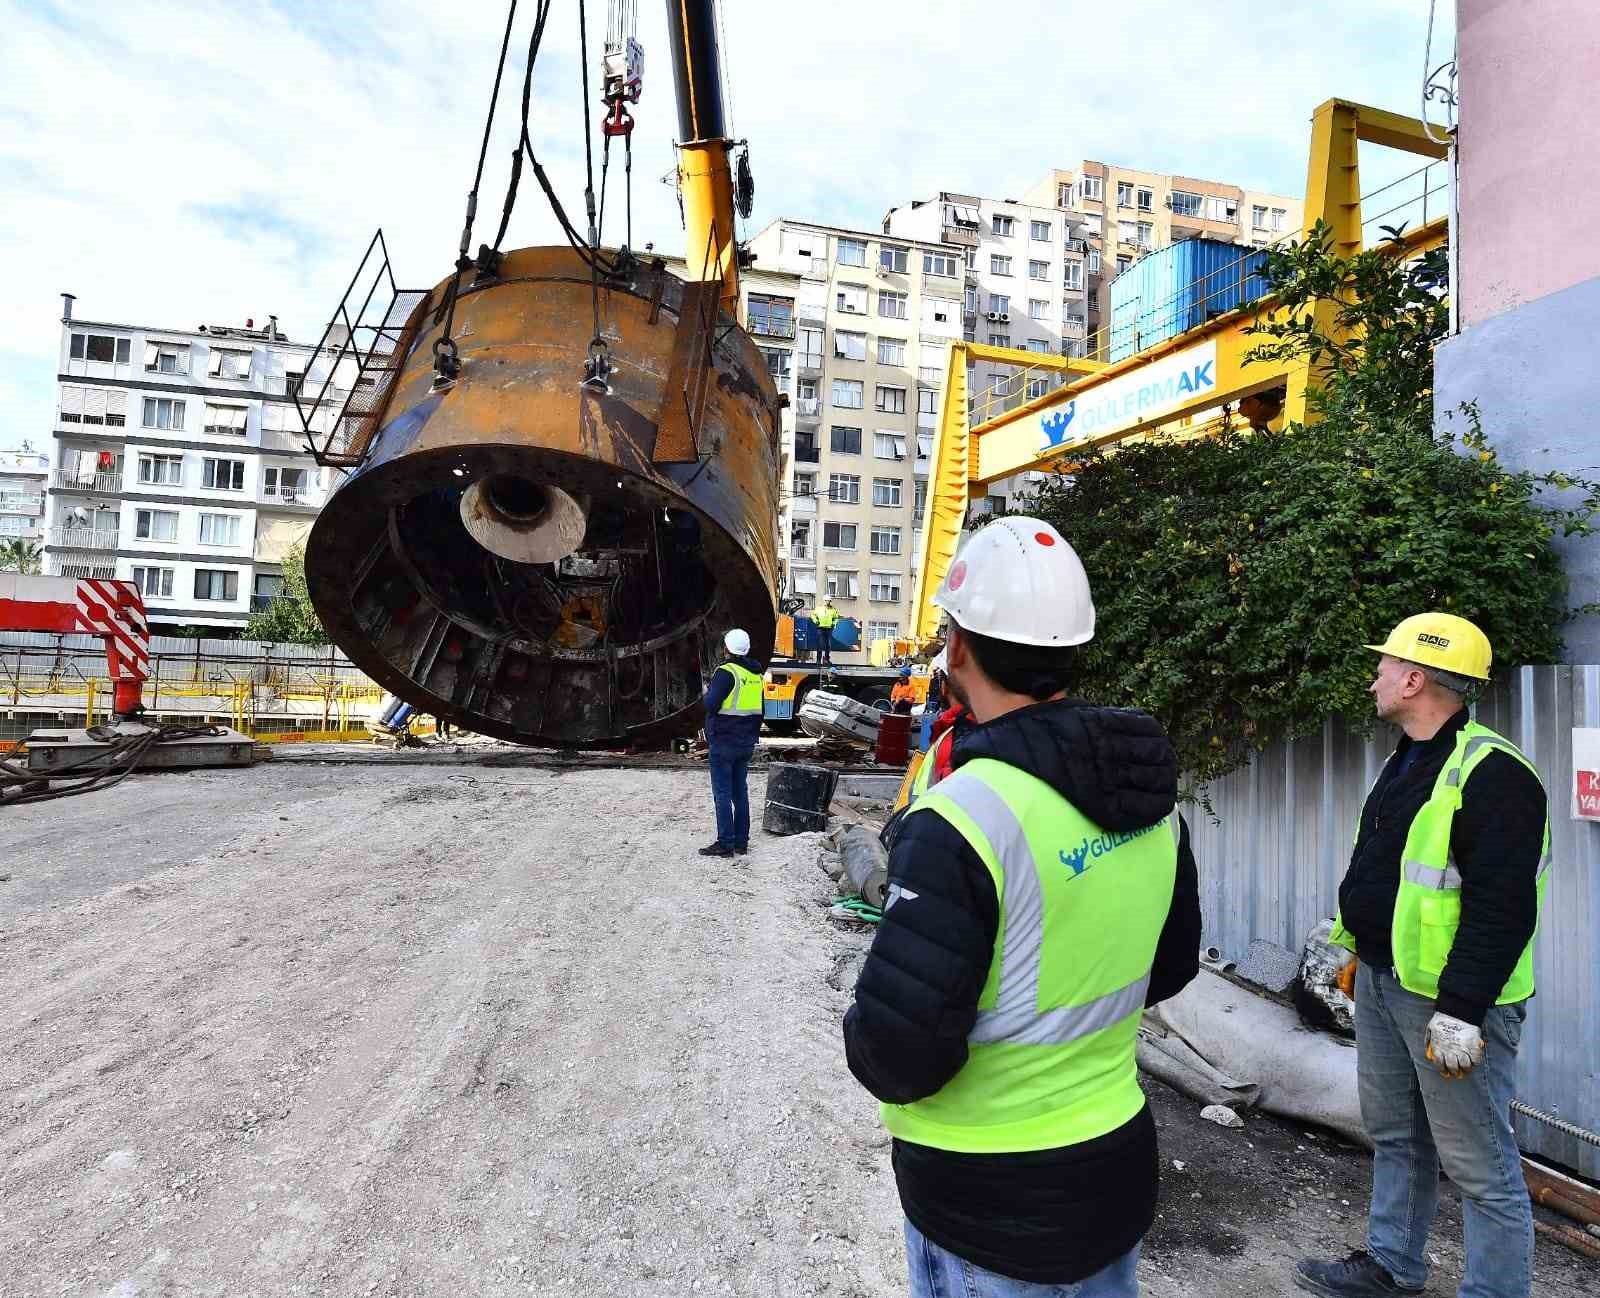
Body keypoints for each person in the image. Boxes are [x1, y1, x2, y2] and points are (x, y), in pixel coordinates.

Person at [842, 516, 1202, 1297]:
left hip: (987, 1197)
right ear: (1075, 649)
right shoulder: (1146, 798)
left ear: (959, 649)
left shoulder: (963, 817)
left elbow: (895, 1057)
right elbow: (1170, 967)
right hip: (1112, 1163)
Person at [1295, 614, 1550, 1298]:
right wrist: (1346, 943)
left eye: (1384, 667)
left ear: (1415, 679)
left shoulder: (1495, 775)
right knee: (1397, 1134)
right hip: (1385, 981)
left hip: (1452, 1006)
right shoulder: (1409, 756)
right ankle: (1392, 1266)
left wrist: (1461, 1012)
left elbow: (1503, 908)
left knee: (1480, 1164)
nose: (1374, 677)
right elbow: (1390, 868)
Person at [699, 627, 765, 859]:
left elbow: (711, 705)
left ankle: (725, 844)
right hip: (745, 743)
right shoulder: (756, 675)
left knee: (723, 794)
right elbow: (760, 711)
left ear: (726, 648)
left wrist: (707, 693)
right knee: (740, 793)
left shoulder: (726, 673)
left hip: (724, 741)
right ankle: (741, 843)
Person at [813, 595, 841, 671]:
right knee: (820, 644)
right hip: (820, 628)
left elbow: (836, 618)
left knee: (828, 645)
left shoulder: (833, 609)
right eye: (826, 600)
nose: (827, 602)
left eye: (829, 601)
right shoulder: (819, 609)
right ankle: (818, 660)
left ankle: (826, 659)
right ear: (824, 601)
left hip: (828, 629)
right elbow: (813, 615)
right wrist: (816, 621)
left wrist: (833, 624)